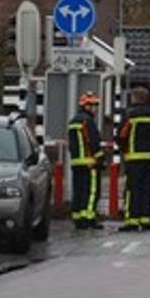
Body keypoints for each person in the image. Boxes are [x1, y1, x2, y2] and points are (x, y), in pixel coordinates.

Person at [118, 87, 150, 231]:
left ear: (134, 98)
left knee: (132, 190)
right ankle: (146, 220)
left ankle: (132, 221)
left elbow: (121, 135)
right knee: (147, 190)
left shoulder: (129, 114)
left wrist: (124, 151)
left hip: (133, 158)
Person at [67, 91, 106, 229]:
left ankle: (77, 217)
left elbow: (72, 145)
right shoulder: (87, 121)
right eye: (93, 105)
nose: (96, 109)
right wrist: (101, 158)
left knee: (78, 191)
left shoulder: (73, 121)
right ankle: (88, 218)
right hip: (90, 162)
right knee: (91, 191)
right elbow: (93, 141)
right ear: (86, 106)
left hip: (76, 162)